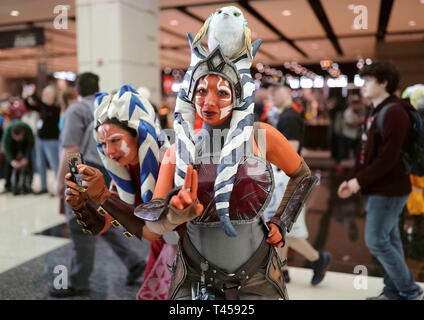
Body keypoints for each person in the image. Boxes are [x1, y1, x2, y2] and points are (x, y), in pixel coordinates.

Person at [50, 74, 149, 298]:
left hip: (81, 167)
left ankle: (78, 281)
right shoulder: (102, 107)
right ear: (97, 89)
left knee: (78, 222)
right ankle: (134, 263)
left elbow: (71, 149)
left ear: (76, 91)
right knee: (99, 218)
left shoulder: (76, 110)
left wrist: (61, 182)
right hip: (109, 166)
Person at [338, 61, 424, 300]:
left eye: (368, 80)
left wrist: (359, 182)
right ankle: (394, 291)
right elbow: (366, 152)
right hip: (382, 187)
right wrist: (354, 178)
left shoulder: (395, 111)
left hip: (390, 189)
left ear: (384, 82)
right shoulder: (376, 110)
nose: (362, 85)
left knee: (376, 241)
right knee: (390, 239)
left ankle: (409, 289)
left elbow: (389, 157)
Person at [269, 79, 330, 285]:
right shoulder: (287, 115)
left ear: (286, 91)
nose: (271, 95)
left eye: (275, 91)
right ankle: (282, 269)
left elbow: (291, 151)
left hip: (287, 179)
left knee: (284, 227)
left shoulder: (289, 117)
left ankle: (317, 259)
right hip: (287, 178)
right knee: (282, 225)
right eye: (270, 91)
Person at [24, 85, 61, 195]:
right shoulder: (43, 107)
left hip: (51, 141)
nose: (44, 95)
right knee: (40, 164)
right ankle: (43, 186)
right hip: (40, 140)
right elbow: (30, 106)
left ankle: (59, 187)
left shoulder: (55, 108)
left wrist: (34, 95)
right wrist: (27, 97)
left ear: (52, 96)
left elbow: (42, 104)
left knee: (55, 165)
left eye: (46, 93)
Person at [1, 120, 34, 195]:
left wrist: (26, 157)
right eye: (15, 137)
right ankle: (8, 186)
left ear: (22, 133)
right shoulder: (8, 132)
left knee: (29, 163)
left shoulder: (27, 129)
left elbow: (30, 144)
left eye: (18, 138)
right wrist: (12, 160)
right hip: (12, 145)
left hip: (25, 144)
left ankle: (28, 186)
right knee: (8, 164)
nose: (17, 139)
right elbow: (6, 148)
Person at [339, 94, 364, 162]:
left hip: (355, 135)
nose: (358, 106)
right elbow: (349, 124)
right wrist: (360, 121)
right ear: (353, 104)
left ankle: (358, 165)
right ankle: (338, 166)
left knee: (357, 152)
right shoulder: (348, 112)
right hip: (347, 135)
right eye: (357, 104)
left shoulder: (359, 111)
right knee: (343, 152)